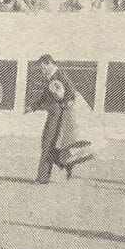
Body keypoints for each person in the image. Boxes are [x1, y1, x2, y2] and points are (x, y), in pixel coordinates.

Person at [25, 54, 78, 183]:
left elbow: (71, 92)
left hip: (58, 115)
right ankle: (65, 162)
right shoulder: (52, 76)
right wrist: (33, 107)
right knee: (47, 143)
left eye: (43, 68)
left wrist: (63, 103)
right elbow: (45, 95)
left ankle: (43, 178)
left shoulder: (60, 74)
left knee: (47, 144)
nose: (42, 71)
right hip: (54, 114)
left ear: (48, 63)